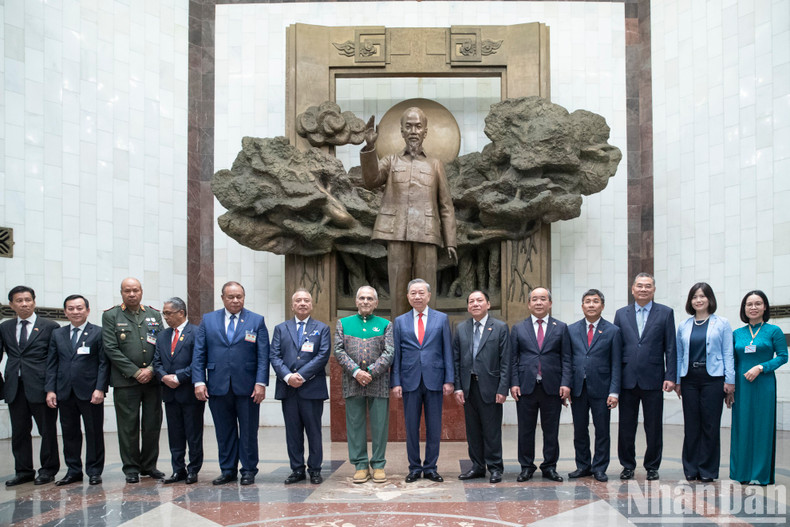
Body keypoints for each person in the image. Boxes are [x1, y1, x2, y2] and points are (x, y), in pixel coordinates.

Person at [360, 107, 457, 318]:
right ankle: (399, 335)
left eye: (418, 126)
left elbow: (446, 205)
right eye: (409, 126)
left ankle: (428, 336)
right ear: (402, 131)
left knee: (425, 288)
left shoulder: (435, 165)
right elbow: (370, 181)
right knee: (398, 287)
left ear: (425, 131)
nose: (413, 131)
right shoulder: (391, 161)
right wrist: (369, 147)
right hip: (396, 232)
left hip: (427, 233)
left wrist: (450, 241)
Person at [193, 281, 269, 486]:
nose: (235, 300)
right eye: (231, 297)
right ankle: (227, 470)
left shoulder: (256, 320)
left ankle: (248, 470)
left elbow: (263, 356)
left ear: (244, 297)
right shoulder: (208, 320)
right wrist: (199, 381)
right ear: (222, 298)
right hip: (217, 386)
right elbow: (199, 353)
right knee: (224, 430)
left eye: (239, 296)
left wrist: (261, 383)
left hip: (248, 387)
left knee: (248, 430)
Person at [614, 272, 676, 481]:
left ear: (654, 290)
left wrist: (671, 375)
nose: (643, 289)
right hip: (627, 378)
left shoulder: (666, 313)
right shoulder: (621, 314)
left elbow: (670, 346)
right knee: (626, 425)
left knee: (653, 425)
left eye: (647, 286)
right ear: (632, 289)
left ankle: (652, 466)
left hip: (654, 378)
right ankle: (627, 465)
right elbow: (616, 348)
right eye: (639, 286)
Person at [102, 277, 165, 483]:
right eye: (127, 291)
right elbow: (111, 348)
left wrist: (153, 370)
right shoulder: (111, 315)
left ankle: (149, 466)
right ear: (121, 293)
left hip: (153, 382)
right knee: (128, 427)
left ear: (141, 291)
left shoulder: (154, 314)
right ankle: (131, 468)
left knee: (152, 425)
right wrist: (136, 371)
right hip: (126, 381)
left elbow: (162, 346)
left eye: (135, 290)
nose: (131, 294)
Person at [391, 278, 454, 483]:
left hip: (435, 379)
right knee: (411, 427)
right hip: (409, 380)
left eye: (421, 293)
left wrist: (449, 379)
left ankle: (431, 467)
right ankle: (414, 467)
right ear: (407, 296)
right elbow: (397, 354)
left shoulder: (441, 318)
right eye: (413, 293)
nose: (417, 296)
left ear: (428, 295)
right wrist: (396, 381)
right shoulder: (400, 321)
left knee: (434, 426)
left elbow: (447, 350)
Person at [45, 294, 109, 486]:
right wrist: (50, 390)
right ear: (65, 312)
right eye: (71, 308)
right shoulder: (58, 334)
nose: (75, 312)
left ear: (87, 311)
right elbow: (52, 364)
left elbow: (104, 364)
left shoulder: (98, 332)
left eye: (79, 308)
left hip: (90, 393)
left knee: (94, 432)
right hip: (64, 392)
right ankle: (73, 471)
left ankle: (94, 471)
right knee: (69, 433)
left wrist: (100, 389)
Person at [509, 287, 571, 483]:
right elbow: (512, 359)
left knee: (551, 430)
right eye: (534, 299)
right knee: (525, 430)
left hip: (552, 387)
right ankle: (526, 467)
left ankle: (549, 467)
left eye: (543, 299)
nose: (538, 302)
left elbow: (567, 358)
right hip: (526, 387)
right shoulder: (518, 328)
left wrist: (566, 383)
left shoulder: (560, 327)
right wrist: (514, 383)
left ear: (550, 303)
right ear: (528, 304)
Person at [0, 286, 60, 486]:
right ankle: (23, 471)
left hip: (41, 387)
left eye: (27, 299)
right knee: (19, 432)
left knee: (47, 431)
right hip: (14, 387)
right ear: (12, 305)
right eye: (19, 300)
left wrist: (52, 387)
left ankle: (48, 470)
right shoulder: (5, 327)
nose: (24, 304)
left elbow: (54, 360)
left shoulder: (49, 326)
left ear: (34, 301)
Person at [333, 286, 394, 484]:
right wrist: (356, 372)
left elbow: (389, 352)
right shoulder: (343, 323)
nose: (365, 301)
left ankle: (378, 465)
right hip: (352, 381)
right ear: (356, 301)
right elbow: (339, 351)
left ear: (376, 303)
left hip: (379, 381)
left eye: (370, 298)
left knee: (379, 425)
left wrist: (371, 372)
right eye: (362, 298)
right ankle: (360, 465)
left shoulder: (385, 324)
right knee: (355, 424)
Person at [674, 283, 734, 482]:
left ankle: (707, 470)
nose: (698, 300)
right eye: (694, 297)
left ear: (710, 299)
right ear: (690, 301)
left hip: (713, 380)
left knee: (710, 425)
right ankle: (691, 469)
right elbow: (679, 355)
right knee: (691, 425)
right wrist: (677, 381)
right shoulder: (684, 325)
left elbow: (728, 352)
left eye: (702, 296)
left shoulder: (722, 323)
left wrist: (730, 380)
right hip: (689, 379)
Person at [270, 289, 331, 485]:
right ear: (292, 305)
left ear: (311, 305)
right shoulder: (281, 328)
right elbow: (274, 355)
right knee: (293, 432)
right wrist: (288, 376)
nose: (303, 303)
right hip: (288, 389)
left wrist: (302, 376)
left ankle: (315, 470)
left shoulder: (321, 328)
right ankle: (297, 469)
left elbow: (323, 355)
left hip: (312, 388)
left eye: (306, 300)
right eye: (298, 300)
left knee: (314, 431)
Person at [730, 290, 788, 485]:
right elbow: (732, 362)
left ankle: (761, 474)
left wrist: (762, 367)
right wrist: (729, 388)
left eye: (758, 303)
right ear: (744, 308)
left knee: (763, 427)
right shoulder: (737, 333)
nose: (753, 307)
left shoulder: (774, 331)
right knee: (742, 426)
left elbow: (782, 356)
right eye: (749, 304)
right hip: (741, 386)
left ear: (765, 307)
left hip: (764, 385)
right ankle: (742, 473)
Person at [453, 290, 510, 484]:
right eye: (471, 301)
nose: (475, 304)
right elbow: (456, 360)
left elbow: (506, 361)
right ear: (468, 306)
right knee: (473, 430)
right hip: (469, 387)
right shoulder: (461, 328)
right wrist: (458, 387)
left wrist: (503, 389)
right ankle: (477, 466)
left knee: (492, 429)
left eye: (479, 300)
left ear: (488, 304)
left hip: (491, 387)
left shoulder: (500, 328)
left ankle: (495, 467)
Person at [567, 289, 622, 482]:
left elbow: (616, 363)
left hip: (602, 388)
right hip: (578, 388)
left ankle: (599, 467)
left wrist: (614, 391)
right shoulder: (571, 329)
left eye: (595, 301)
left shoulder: (613, 331)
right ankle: (583, 465)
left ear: (602, 306)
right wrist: (566, 386)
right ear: (582, 306)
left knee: (602, 430)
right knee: (580, 429)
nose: (591, 305)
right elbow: (567, 360)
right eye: (587, 301)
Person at [153, 297, 204, 485]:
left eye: (168, 313)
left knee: (193, 433)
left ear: (181, 313)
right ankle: (178, 469)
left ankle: (193, 469)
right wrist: (164, 377)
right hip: (170, 393)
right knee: (174, 434)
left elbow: (199, 362)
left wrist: (179, 377)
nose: (165, 317)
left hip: (190, 392)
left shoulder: (197, 333)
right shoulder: (162, 336)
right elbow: (156, 362)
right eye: (164, 313)